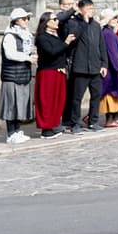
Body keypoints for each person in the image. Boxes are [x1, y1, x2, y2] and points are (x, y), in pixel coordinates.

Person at [64, 0, 107, 132]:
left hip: (95, 67)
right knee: (76, 98)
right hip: (80, 67)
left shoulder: (96, 25)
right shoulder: (73, 23)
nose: (91, 11)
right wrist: (84, 22)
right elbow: (73, 40)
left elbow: (101, 46)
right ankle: (74, 123)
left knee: (96, 96)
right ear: (81, 10)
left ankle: (93, 121)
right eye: (88, 9)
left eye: (92, 9)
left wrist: (104, 64)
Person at [0, 7, 36, 144]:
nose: (27, 21)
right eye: (25, 19)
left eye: (27, 18)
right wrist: (27, 58)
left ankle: (17, 130)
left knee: (20, 104)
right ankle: (11, 133)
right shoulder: (10, 36)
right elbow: (10, 54)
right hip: (12, 75)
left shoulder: (25, 35)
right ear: (17, 21)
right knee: (11, 104)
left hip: (23, 74)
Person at [33, 10, 73, 138]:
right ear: (46, 23)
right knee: (47, 100)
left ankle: (54, 124)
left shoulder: (57, 35)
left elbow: (61, 52)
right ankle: (46, 128)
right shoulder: (42, 37)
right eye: (54, 19)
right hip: (47, 72)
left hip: (58, 71)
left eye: (56, 19)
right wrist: (66, 43)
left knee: (58, 100)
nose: (57, 21)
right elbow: (51, 52)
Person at [99, 9, 118, 127]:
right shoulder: (107, 33)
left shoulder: (110, 32)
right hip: (112, 70)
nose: (115, 20)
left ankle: (114, 118)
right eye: (113, 18)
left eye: (116, 18)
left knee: (115, 94)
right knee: (110, 94)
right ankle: (110, 119)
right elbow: (112, 53)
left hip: (114, 69)